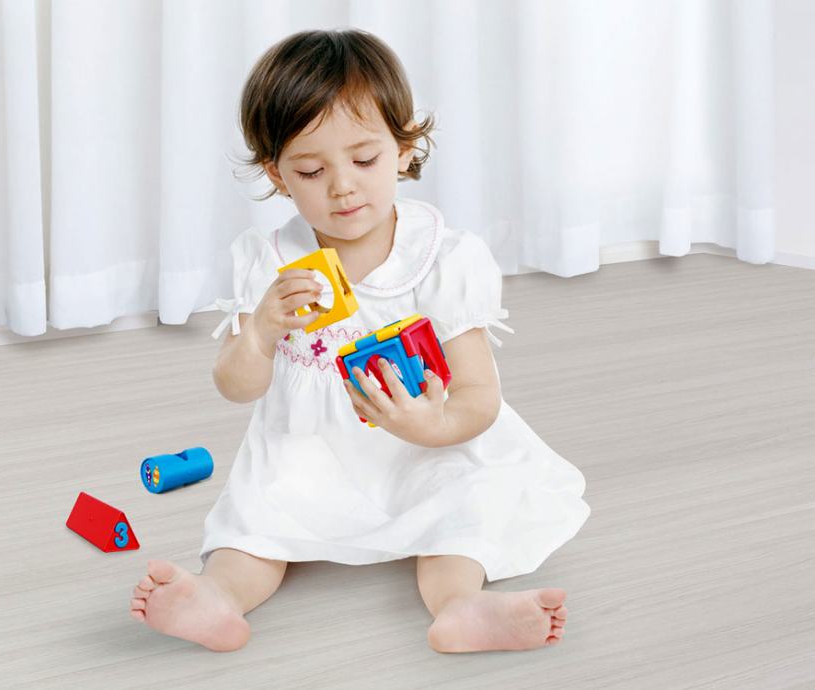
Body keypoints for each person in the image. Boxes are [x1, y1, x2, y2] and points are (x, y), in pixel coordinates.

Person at [130, 28, 590, 654]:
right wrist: (260, 330)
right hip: (309, 445)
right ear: (278, 175)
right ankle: (217, 597)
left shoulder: (444, 258)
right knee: (257, 514)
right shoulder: (269, 261)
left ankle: (461, 605)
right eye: (311, 170)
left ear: (403, 149)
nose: (342, 186)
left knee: (464, 503)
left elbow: (480, 395)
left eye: (364, 160)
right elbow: (235, 387)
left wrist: (433, 427)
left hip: (430, 443)